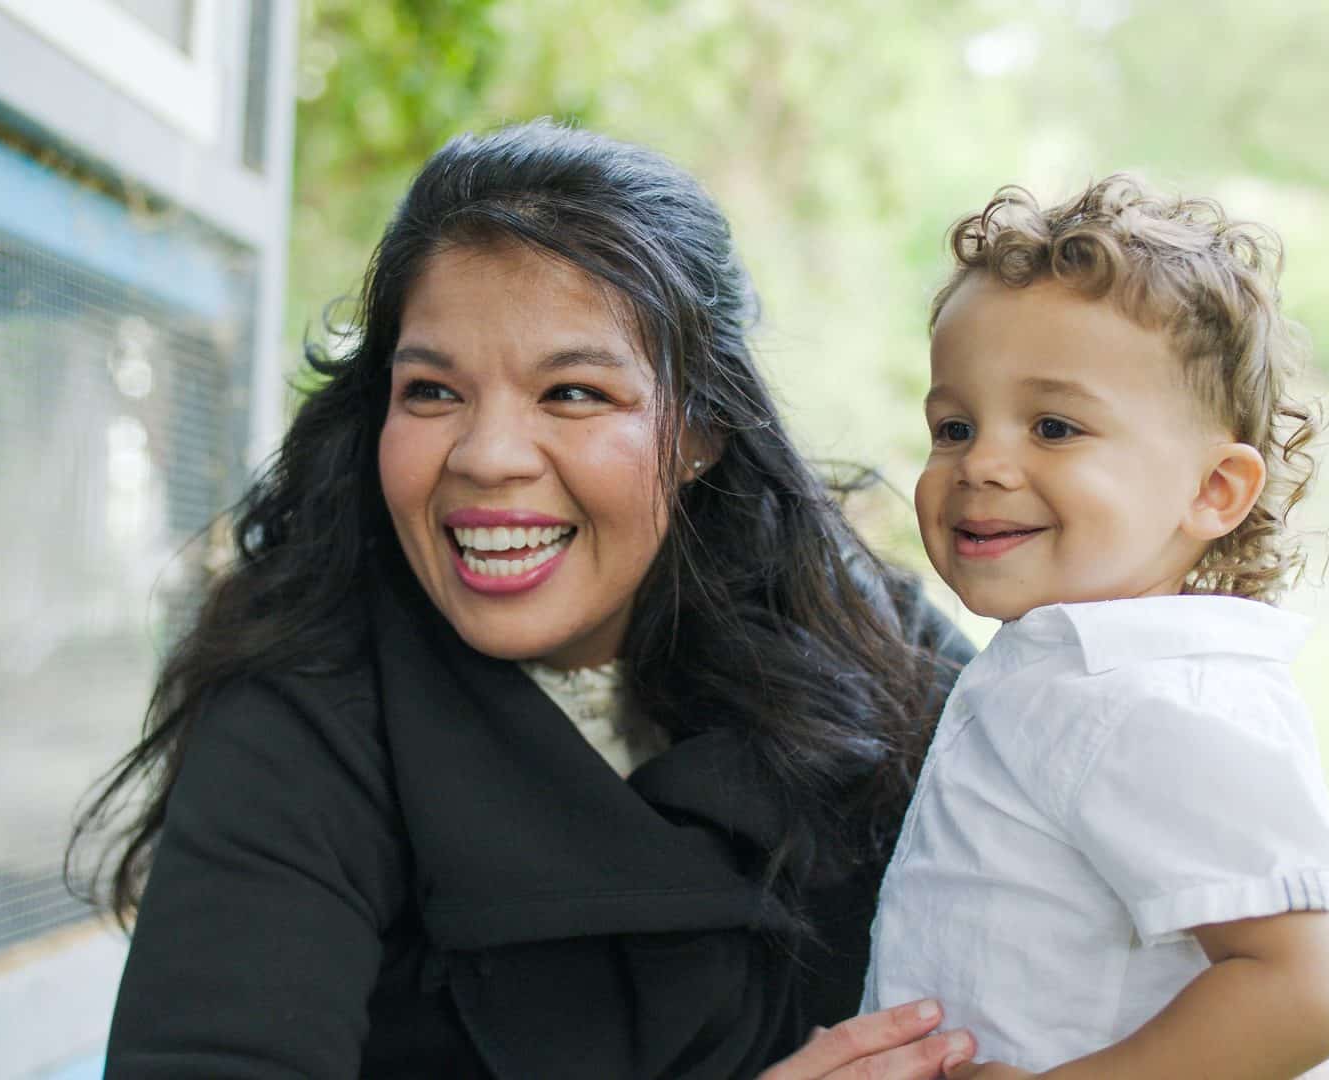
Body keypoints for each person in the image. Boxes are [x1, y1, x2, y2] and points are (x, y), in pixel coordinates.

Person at [75, 119, 986, 1078]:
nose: (486, 456)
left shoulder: (868, 653)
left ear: (701, 432)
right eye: (432, 392)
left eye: (574, 394)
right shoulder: (302, 711)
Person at [862, 177, 1329, 1078]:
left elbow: (1307, 987)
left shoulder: (1153, 702)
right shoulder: (1069, 670)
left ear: (1213, 491)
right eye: (953, 426)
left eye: (1053, 427)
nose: (981, 463)